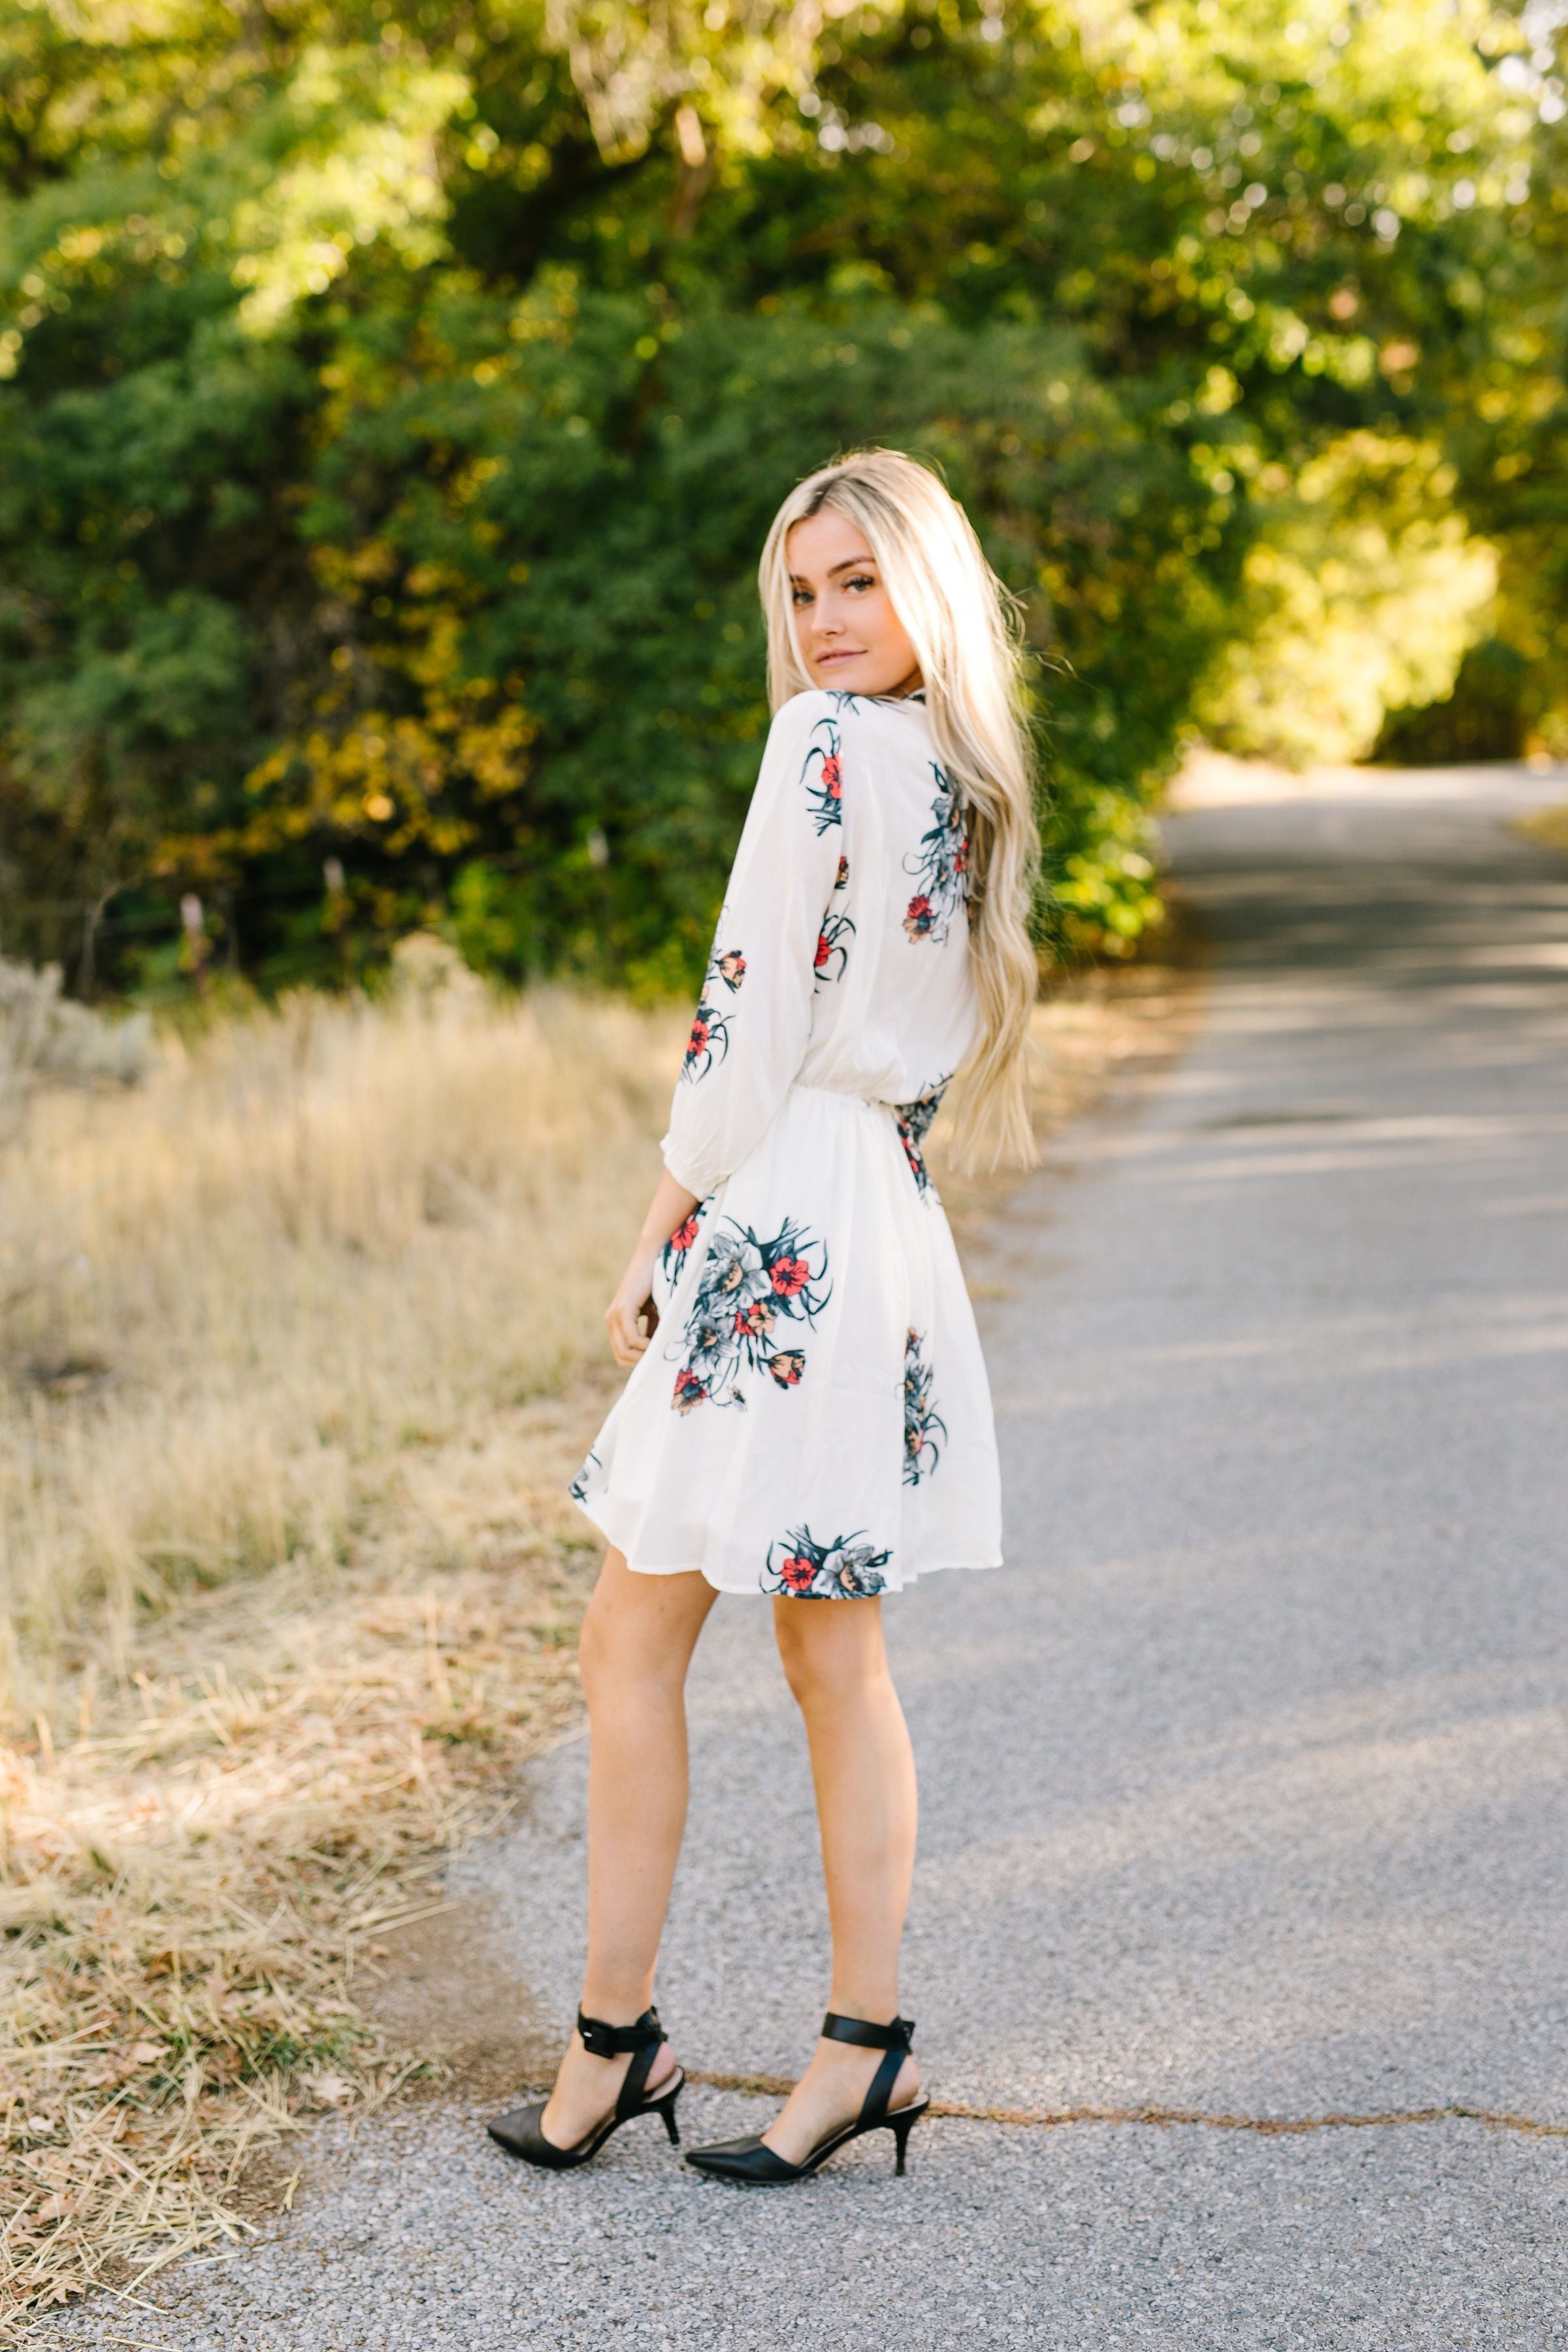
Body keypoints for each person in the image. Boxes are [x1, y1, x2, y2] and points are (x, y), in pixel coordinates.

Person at [487, 448, 1039, 2183]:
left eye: (857, 582)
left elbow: (744, 1014)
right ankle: (857, 2046)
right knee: (827, 1654)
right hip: (882, 1215)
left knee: (632, 1640)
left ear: (924, 588)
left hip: (789, 1209)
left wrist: (668, 1211)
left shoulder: (821, 749)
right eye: (801, 593)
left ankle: (614, 2043)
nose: (820, 623)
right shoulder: (958, 776)